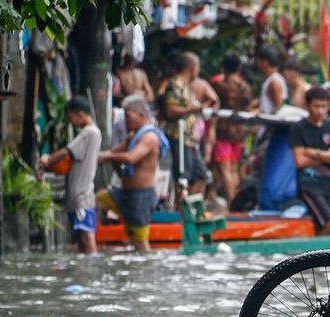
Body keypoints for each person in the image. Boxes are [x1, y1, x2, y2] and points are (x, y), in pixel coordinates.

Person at [97, 95, 169, 252]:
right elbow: (112, 153)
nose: (125, 121)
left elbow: (131, 158)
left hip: (141, 196)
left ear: (141, 115)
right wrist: (101, 157)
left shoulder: (149, 137)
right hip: (124, 193)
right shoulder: (133, 136)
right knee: (94, 201)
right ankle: (89, 240)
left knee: (141, 243)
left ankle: (146, 272)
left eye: (128, 116)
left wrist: (107, 157)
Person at [39, 96, 101, 254]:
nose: (70, 122)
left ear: (80, 114)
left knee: (86, 234)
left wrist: (47, 160)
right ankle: (84, 268)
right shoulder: (91, 133)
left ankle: (91, 267)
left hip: (82, 193)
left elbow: (67, 151)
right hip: (78, 192)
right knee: (81, 235)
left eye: (70, 117)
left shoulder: (89, 132)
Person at [290, 87, 330, 236]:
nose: (320, 111)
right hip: (308, 184)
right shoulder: (298, 128)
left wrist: (314, 153)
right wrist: (327, 157)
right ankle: (315, 256)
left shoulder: (329, 126)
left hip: (328, 183)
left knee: (322, 224)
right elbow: (300, 161)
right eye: (316, 106)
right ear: (307, 106)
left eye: (324, 106)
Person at [162, 51, 211, 195]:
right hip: (179, 136)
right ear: (193, 67)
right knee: (183, 177)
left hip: (189, 139)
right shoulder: (175, 84)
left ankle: (190, 208)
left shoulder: (185, 85)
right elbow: (170, 110)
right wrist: (195, 108)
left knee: (201, 175)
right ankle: (181, 211)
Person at [210, 52, 253, 205]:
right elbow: (247, 109)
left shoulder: (219, 86)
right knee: (234, 169)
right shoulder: (246, 87)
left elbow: (211, 103)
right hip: (239, 132)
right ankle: (236, 204)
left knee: (225, 170)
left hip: (222, 131)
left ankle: (232, 202)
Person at [255, 46, 287, 114]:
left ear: (265, 62)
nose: (258, 64)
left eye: (259, 61)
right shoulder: (271, 80)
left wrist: (263, 115)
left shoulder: (274, 82)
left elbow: (279, 107)